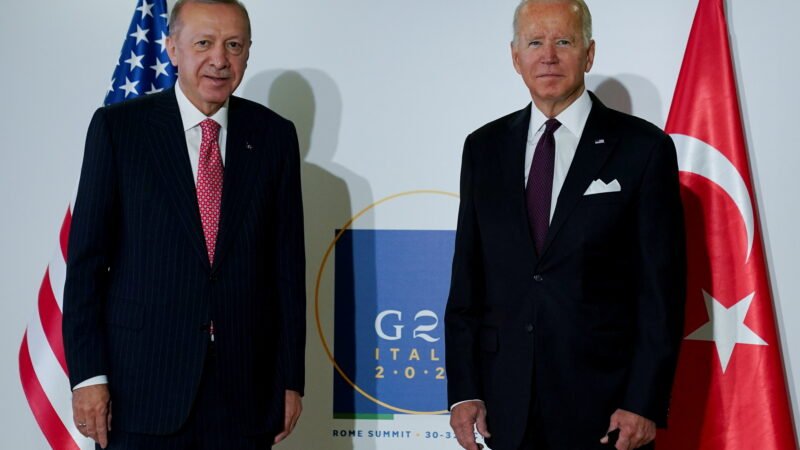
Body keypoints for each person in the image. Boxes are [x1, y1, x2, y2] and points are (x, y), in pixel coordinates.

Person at [62, 1, 306, 448]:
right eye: (204, 43)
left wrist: (291, 379)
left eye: (234, 45)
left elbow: (287, 269)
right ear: (172, 48)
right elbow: (86, 267)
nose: (220, 60)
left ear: (248, 52)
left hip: (245, 395)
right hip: (139, 392)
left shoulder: (274, 136)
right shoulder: (119, 129)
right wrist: (88, 377)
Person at [444, 1, 686, 449]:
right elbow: (467, 282)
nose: (548, 56)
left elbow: (661, 293)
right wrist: (465, 390)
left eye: (564, 41)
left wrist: (643, 400)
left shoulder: (644, 148)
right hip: (505, 407)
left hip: (607, 412)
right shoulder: (483, 148)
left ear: (589, 54)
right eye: (535, 42)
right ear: (515, 57)